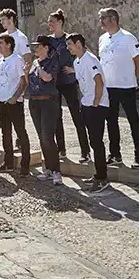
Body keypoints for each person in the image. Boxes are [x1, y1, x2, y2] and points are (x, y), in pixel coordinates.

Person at [98, 7, 139, 169]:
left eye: (103, 18)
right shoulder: (102, 39)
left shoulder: (128, 38)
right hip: (109, 87)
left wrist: (132, 77)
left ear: (113, 19)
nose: (101, 22)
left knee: (133, 120)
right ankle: (115, 154)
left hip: (126, 87)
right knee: (111, 121)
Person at [68, 33, 110, 194]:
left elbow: (98, 80)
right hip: (87, 104)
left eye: (70, 44)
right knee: (93, 141)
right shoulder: (77, 61)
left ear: (79, 44)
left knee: (97, 142)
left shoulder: (90, 59)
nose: (68, 48)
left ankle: (102, 178)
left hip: (96, 106)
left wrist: (96, 102)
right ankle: (97, 174)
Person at [48, 9, 89, 163]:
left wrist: (74, 69)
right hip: (55, 83)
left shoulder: (69, 39)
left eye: (52, 21)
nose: (50, 24)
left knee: (77, 116)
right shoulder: (49, 41)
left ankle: (85, 152)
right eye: (49, 22)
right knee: (56, 117)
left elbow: (83, 55)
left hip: (69, 83)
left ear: (60, 22)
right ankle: (61, 150)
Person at [0, 8, 30, 149]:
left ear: (11, 19)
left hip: (16, 80)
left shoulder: (21, 37)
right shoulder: (2, 36)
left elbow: (27, 58)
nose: (1, 22)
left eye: (3, 19)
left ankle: (19, 141)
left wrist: (24, 81)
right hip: (4, 80)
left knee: (17, 113)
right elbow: (1, 57)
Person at [0, 32, 30, 176]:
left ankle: (25, 166)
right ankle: (8, 162)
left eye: (1, 43)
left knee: (20, 132)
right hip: (2, 101)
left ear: (9, 45)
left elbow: (23, 81)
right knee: (5, 133)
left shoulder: (17, 60)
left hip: (14, 102)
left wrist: (15, 97)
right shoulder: (1, 60)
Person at [28, 35, 62, 185]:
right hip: (35, 102)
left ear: (46, 48)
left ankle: (56, 171)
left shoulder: (51, 62)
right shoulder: (34, 63)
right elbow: (28, 80)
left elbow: (47, 78)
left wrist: (38, 66)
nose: (36, 49)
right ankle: (47, 169)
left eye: (39, 46)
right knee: (41, 137)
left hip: (48, 102)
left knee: (48, 137)